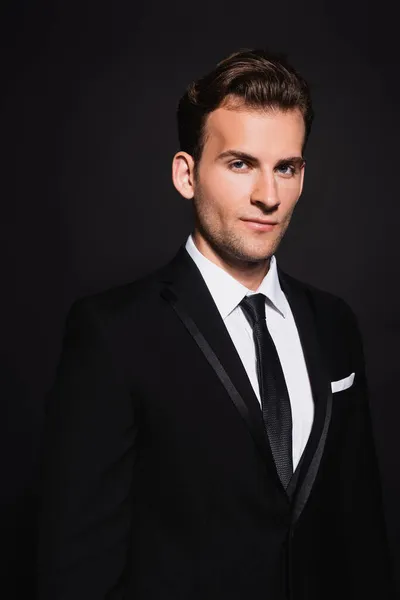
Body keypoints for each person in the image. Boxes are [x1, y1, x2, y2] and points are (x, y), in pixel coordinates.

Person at [37, 48, 394, 599]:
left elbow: (361, 534)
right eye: (240, 163)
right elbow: (76, 563)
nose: (268, 196)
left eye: (286, 168)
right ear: (187, 174)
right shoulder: (112, 332)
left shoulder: (333, 323)